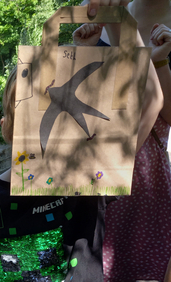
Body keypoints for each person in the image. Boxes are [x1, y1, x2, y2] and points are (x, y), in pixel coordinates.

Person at [0, 66, 116, 282]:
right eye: (31, 117)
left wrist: (86, 51)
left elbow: (141, 108)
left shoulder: (89, 188)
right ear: (6, 127)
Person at [75, 1, 171, 281]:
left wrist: (159, 64)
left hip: (145, 177)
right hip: (94, 171)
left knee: (142, 268)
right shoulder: (101, 9)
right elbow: (83, 102)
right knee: (90, 268)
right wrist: (86, 51)